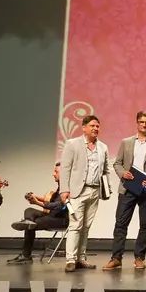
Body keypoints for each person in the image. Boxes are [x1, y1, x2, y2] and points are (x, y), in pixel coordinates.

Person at [102, 111, 146, 271]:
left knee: (145, 224)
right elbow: (117, 163)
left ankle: (139, 258)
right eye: (141, 122)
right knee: (121, 223)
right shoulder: (126, 142)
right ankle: (116, 258)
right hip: (128, 188)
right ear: (137, 123)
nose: (144, 125)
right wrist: (123, 173)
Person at [60, 115, 111, 273]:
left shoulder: (103, 147)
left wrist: (107, 188)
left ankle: (81, 258)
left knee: (86, 227)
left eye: (97, 126)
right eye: (92, 126)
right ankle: (70, 259)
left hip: (94, 190)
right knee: (75, 225)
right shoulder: (72, 144)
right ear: (84, 128)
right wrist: (64, 190)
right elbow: (65, 168)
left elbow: (105, 170)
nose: (95, 129)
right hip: (77, 191)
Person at [7, 162, 68, 264]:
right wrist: (34, 197)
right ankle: (28, 222)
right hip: (52, 215)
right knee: (29, 211)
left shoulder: (67, 188)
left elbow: (57, 206)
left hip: (61, 219)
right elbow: (50, 200)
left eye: (56, 171)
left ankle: (26, 255)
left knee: (30, 226)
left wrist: (37, 202)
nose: (53, 174)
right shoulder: (60, 186)